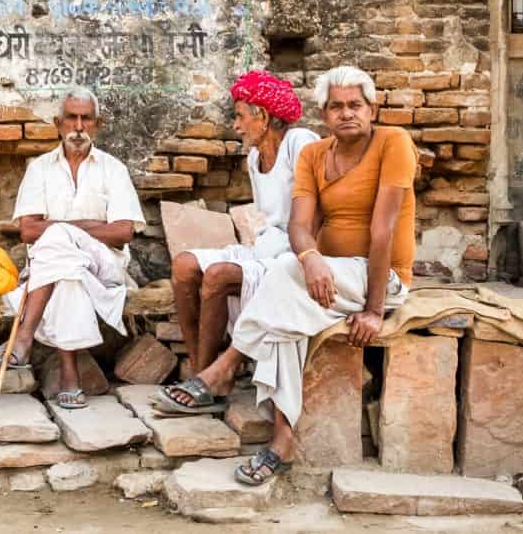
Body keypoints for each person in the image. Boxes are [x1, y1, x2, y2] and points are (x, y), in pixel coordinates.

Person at [156, 66, 417, 486]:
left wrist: (374, 309)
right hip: (323, 273)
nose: (346, 113)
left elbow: (383, 229)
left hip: (375, 277)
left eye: (355, 105)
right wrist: (312, 258)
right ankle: (282, 440)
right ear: (324, 114)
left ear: (372, 108)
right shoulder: (316, 155)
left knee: (280, 278)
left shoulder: (394, 144)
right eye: (335, 107)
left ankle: (224, 367)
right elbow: (298, 224)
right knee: (287, 312)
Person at [0, 88, 145, 409]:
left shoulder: (114, 169)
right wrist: (86, 227)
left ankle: (23, 339)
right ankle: (71, 376)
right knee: (66, 270)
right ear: (58, 123)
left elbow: (123, 231)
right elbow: (28, 231)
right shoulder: (40, 168)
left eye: (86, 119)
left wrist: (63, 226)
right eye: (72, 118)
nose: (79, 126)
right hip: (56, 266)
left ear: (97, 124)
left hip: (103, 265)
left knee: (56, 238)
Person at [168, 70, 318, 385]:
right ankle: (201, 370)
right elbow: (268, 219)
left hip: (294, 254)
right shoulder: (254, 159)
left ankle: (212, 381)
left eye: (239, 116)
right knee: (184, 266)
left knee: (217, 275)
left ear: (262, 116)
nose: (235, 126)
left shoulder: (300, 143)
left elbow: (316, 212)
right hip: (266, 246)